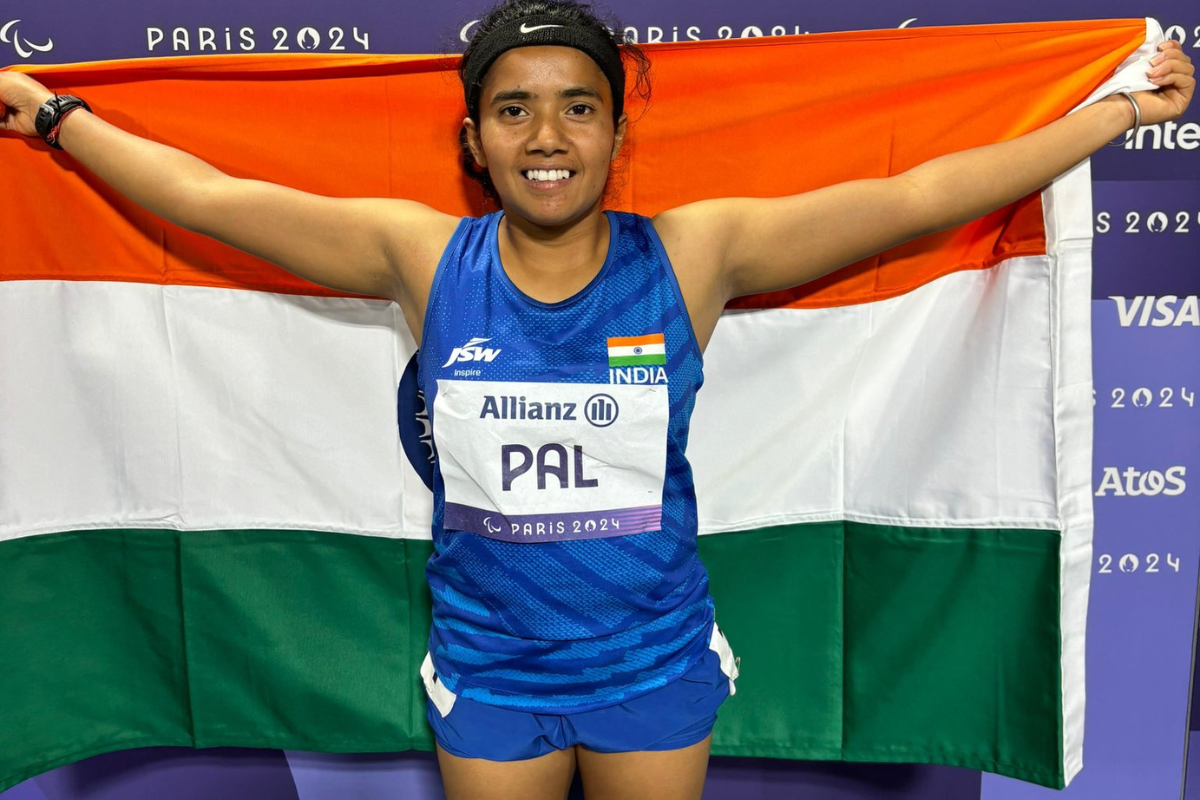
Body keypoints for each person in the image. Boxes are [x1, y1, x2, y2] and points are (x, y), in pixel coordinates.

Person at [0, 0, 1193, 797]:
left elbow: (923, 193)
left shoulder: (692, 253)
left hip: (652, 660)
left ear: (617, 133)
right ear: (475, 140)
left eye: (578, 104)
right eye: (513, 108)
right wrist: (55, 116)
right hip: (490, 668)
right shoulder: (423, 257)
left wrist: (1119, 113)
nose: (548, 133)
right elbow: (206, 199)